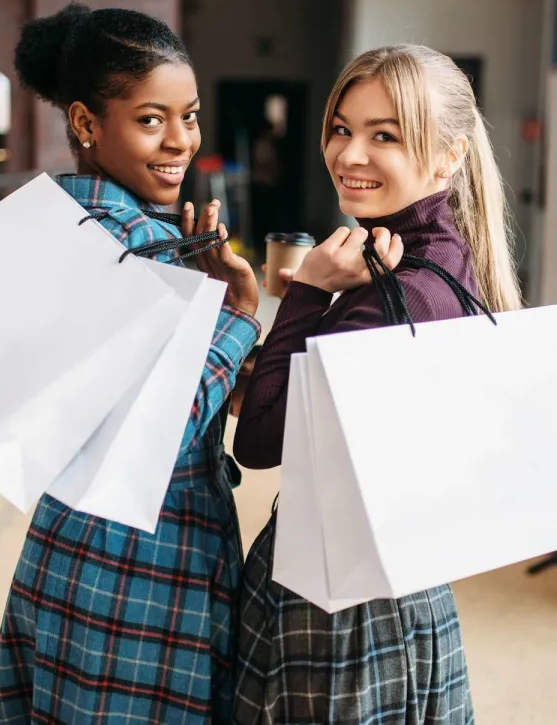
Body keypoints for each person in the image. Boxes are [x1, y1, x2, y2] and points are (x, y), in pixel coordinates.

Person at [0, 3, 261, 724]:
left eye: (189, 116)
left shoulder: (56, 224)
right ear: (85, 123)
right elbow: (155, 431)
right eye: (150, 120)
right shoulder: (130, 247)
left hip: (69, 545)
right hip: (141, 567)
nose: (180, 141)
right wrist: (239, 317)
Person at [230, 44, 522, 724]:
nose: (349, 154)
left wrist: (308, 293)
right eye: (341, 128)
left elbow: (262, 441)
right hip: (394, 580)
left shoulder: (400, 294)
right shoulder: (438, 257)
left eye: (384, 135)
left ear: (449, 155)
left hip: (342, 605)